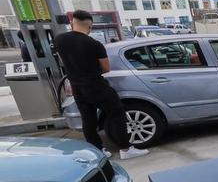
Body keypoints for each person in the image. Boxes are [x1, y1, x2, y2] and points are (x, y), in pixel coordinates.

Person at [55, 10, 149, 160]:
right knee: (117, 112)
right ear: (90, 25)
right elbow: (106, 68)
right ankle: (125, 149)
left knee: (88, 119)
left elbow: (63, 60)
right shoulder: (93, 44)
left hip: (76, 86)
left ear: (72, 22)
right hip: (95, 85)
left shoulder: (59, 40)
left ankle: (97, 151)